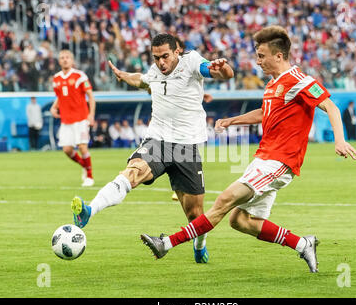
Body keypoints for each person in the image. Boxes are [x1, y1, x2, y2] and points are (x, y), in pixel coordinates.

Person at [140, 26, 356, 273]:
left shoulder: (299, 81)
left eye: (262, 55)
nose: (258, 61)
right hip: (263, 158)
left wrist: (339, 140)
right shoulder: (273, 84)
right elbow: (264, 114)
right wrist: (232, 120)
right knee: (240, 221)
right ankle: (302, 243)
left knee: (224, 199)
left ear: (278, 56)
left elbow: (331, 107)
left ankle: (166, 243)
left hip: (279, 162)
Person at [70, 33, 234, 264]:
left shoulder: (192, 61)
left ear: (177, 51)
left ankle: (200, 245)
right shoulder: (156, 71)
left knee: (195, 215)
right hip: (157, 140)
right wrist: (123, 75)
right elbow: (142, 80)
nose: (161, 63)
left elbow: (221, 73)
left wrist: (222, 68)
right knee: (133, 171)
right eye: (156, 57)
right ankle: (90, 209)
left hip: (186, 147)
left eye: (165, 56)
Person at [50, 50, 96, 187]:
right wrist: (54, 107)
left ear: (72, 60)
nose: (65, 60)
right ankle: (84, 165)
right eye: (62, 58)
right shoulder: (56, 79)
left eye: (67, 57)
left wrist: (91, 115)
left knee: (82, 146)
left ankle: (89, 176)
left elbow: (91, 96)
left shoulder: (79, 76)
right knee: (67, 150)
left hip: (81, 118)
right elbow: (61, 96)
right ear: (59, 61)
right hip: (66, 120)